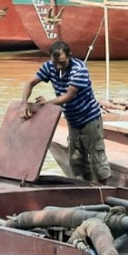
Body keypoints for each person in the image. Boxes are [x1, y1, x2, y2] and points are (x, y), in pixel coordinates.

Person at [19, 40, 111, 184]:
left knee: (97, 158)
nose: (59, 67)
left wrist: (47, 104)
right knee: (76, 159)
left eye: (62, 62)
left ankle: (104, 190)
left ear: (70, 56)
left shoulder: (79, 69)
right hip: (72, 119)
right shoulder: (50, 67)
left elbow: (69, 95)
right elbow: (29, 83)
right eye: (55, 63)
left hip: (89, 118)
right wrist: (23, 103)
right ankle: (87, 187)